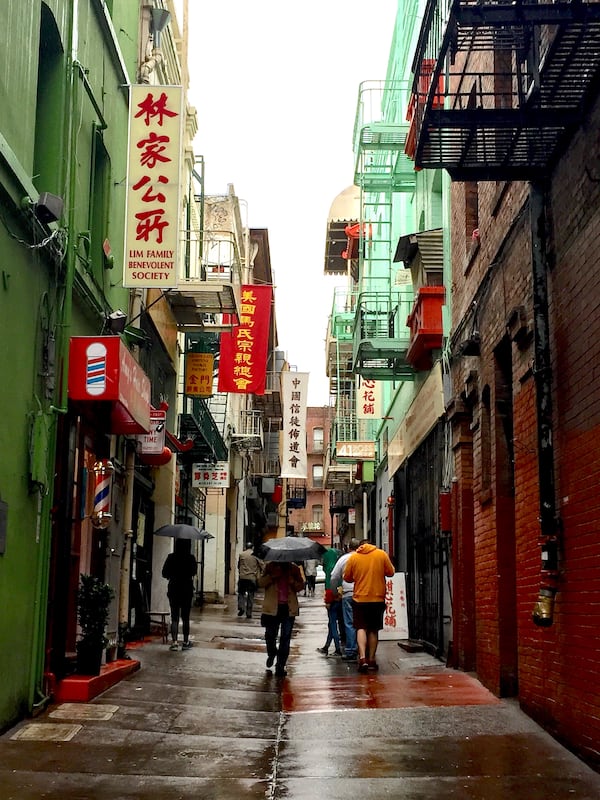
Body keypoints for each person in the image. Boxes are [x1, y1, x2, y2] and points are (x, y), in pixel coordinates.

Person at [343, 538, 395, 673]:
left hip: (360, 598)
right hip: (377, 598)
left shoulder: (354, 557)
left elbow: (347, 577)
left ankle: (362, 658)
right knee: (373, 629)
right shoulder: (381, 554)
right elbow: (391, 572)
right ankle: (371, 659)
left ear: (360, 546)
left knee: (361, 628)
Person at [258, 561, 305, 677]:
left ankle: (280, 665)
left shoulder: (294, 569)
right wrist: (272, 576)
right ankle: (272, 653)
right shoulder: (270, 567)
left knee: (285, 638)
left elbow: (301, 586)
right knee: (270, 635)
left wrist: (292, 581)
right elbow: (260, 583)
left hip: (288, 609)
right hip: (272, 608)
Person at [161, 538, 198, 651]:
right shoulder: (191, 558)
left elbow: (164, 573)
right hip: (186, 589)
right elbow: (194, 572)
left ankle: (174, 642)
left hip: (174, 588)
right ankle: (186, 641)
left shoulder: (171, 557)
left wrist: (171, 575)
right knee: (186, 617)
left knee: (174, 616)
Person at [330, 538, 360, 661]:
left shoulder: (343, 559)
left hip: (347, 594)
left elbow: (333, 577)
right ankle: (364, 649)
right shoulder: (362, 558)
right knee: (362, 623)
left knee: (349, 623)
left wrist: (335, 592)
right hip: (362, 593)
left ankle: (351, 650)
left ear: (348, 547)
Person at [237, 542, 263, 618]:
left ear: (245, 547)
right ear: (253, 547)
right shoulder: (255, 555)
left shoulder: (241, 554)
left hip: (242, 577)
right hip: (252, 578)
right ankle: (249, 612)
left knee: (241, 593)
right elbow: (262, 565)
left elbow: (239, 565)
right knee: (251, 595)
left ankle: (241, 607)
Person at [316, 587, 342, 657]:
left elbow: (330, 589)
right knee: (331, 626)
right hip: (340, 601)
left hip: (333, 602)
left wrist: (328, 601)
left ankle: (337, 649)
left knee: (333, 626)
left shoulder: (333, 578)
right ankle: (326, 647)